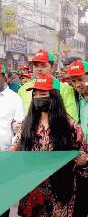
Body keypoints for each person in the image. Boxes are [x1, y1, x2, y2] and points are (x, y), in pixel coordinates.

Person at [9, 74, 88, 217]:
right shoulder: (27, 124)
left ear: (54, 96)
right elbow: (16, 145)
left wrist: (84, 161)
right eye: (36, 94)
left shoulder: (70, 126)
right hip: (32, 190)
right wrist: (12, 151)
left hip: (60, 192)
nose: (38, 97)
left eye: (43, 93)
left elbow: (83, 155)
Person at [18, 49, 78, 121]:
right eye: (36, 66)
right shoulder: (24, 89)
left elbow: (72, 119)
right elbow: (17, 114)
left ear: (53, 67)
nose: (38, 69)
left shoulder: (66, 89)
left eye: (43, 66)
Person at [66, 60, 88, 217]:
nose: (78, 84)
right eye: (74, 81)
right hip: (81, 161)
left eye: (81, 79)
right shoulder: (75, 100)